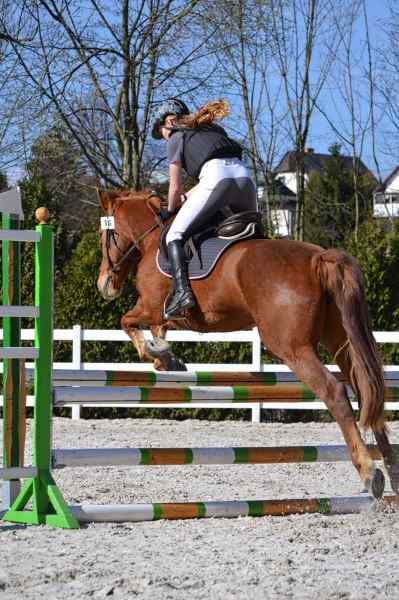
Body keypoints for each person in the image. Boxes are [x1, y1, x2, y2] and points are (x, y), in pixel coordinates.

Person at [151, 98, 257, 319]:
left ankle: (181, 293)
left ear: (169, 121)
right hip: (245, 179)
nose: (162, 137)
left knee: (174, 235)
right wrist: (186, 198)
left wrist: (171, 209)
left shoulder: (175, 137)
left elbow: (175, 186)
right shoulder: (213, 129)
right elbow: (207, 182)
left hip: (216, 180)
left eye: (160, 130)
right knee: (255, 235)